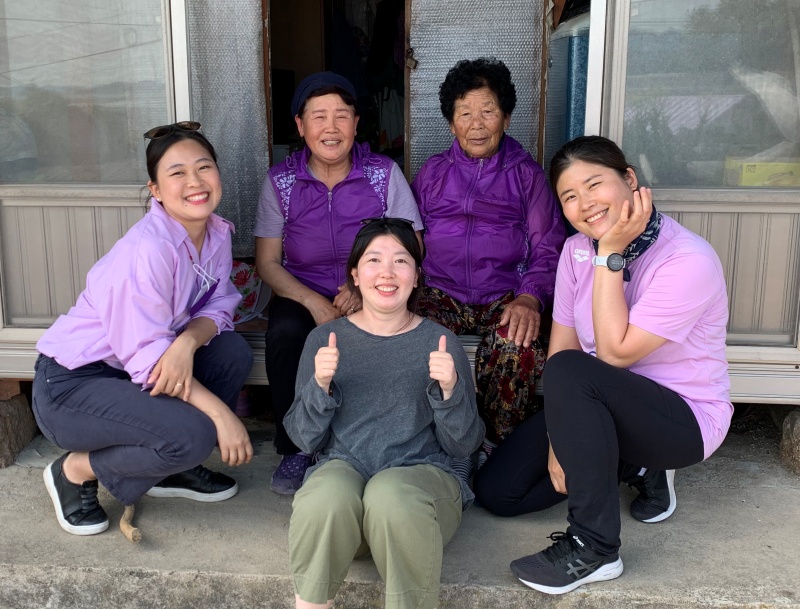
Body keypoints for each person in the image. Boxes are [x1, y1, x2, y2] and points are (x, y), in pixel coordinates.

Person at [499, 136, 732, 594]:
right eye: (569, 196)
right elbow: (564, 343)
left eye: (594, 184)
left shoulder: (688, 259)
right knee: (502, 494)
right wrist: (557, 439)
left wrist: (609, 254)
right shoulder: (575, 252)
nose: (585, 204)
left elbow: (615, 353)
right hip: (600, 406)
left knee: (570, 370)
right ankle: (638, 470)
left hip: (682, 421)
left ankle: (596, 546)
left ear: (629, 179)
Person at [31, 122, 254, 536]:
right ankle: (74, 470)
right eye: (177, 173)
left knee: (230, 353)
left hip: (132, 373)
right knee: (196, 433)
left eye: (204, 167)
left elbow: (222, 302)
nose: (195, 182)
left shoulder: (215, 233)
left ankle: (167, 470)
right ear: (155, 189)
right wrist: (223, 416)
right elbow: (149, 362)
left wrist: (187, 342)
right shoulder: (146, 251)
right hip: (73, 386)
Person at [284, 218, 484, 609]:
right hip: (350, 509)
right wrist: (320, 386)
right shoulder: (324, 340)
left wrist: (449, 391)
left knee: (389, 494)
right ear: (355, 276)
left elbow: (464, 444)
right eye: (374, 260)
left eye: (401, 261)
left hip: (419, 494)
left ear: (416, 277)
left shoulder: (439, 341)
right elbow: (305, 439)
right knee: (324, 495)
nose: (387, 273)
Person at [255, 71, 422, 495]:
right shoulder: (281, 182)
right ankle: (296, 447)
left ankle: (371, 444)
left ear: (355, 122)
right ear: (300, 125)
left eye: (341, 116)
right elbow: (268, 262)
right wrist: (313, 302)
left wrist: (364, 288)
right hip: (302, 289)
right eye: (318, 116)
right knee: (287, 331)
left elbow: (411, 242)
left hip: (372, 286)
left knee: (382, 331)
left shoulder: (382, 174)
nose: (331, 128)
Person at [411, 58, 565, 478]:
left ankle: (495, 444)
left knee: (516, 343)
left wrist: (530, 297)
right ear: (451, 124)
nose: (476, 124)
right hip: (441, 290)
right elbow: (408, 240)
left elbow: (549, 247)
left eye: (488, 111)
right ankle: (431, 440)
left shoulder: (526, 176)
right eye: (465, 113)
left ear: (507, 117)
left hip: (505, 294)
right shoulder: (432, 174)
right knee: (410, 337)